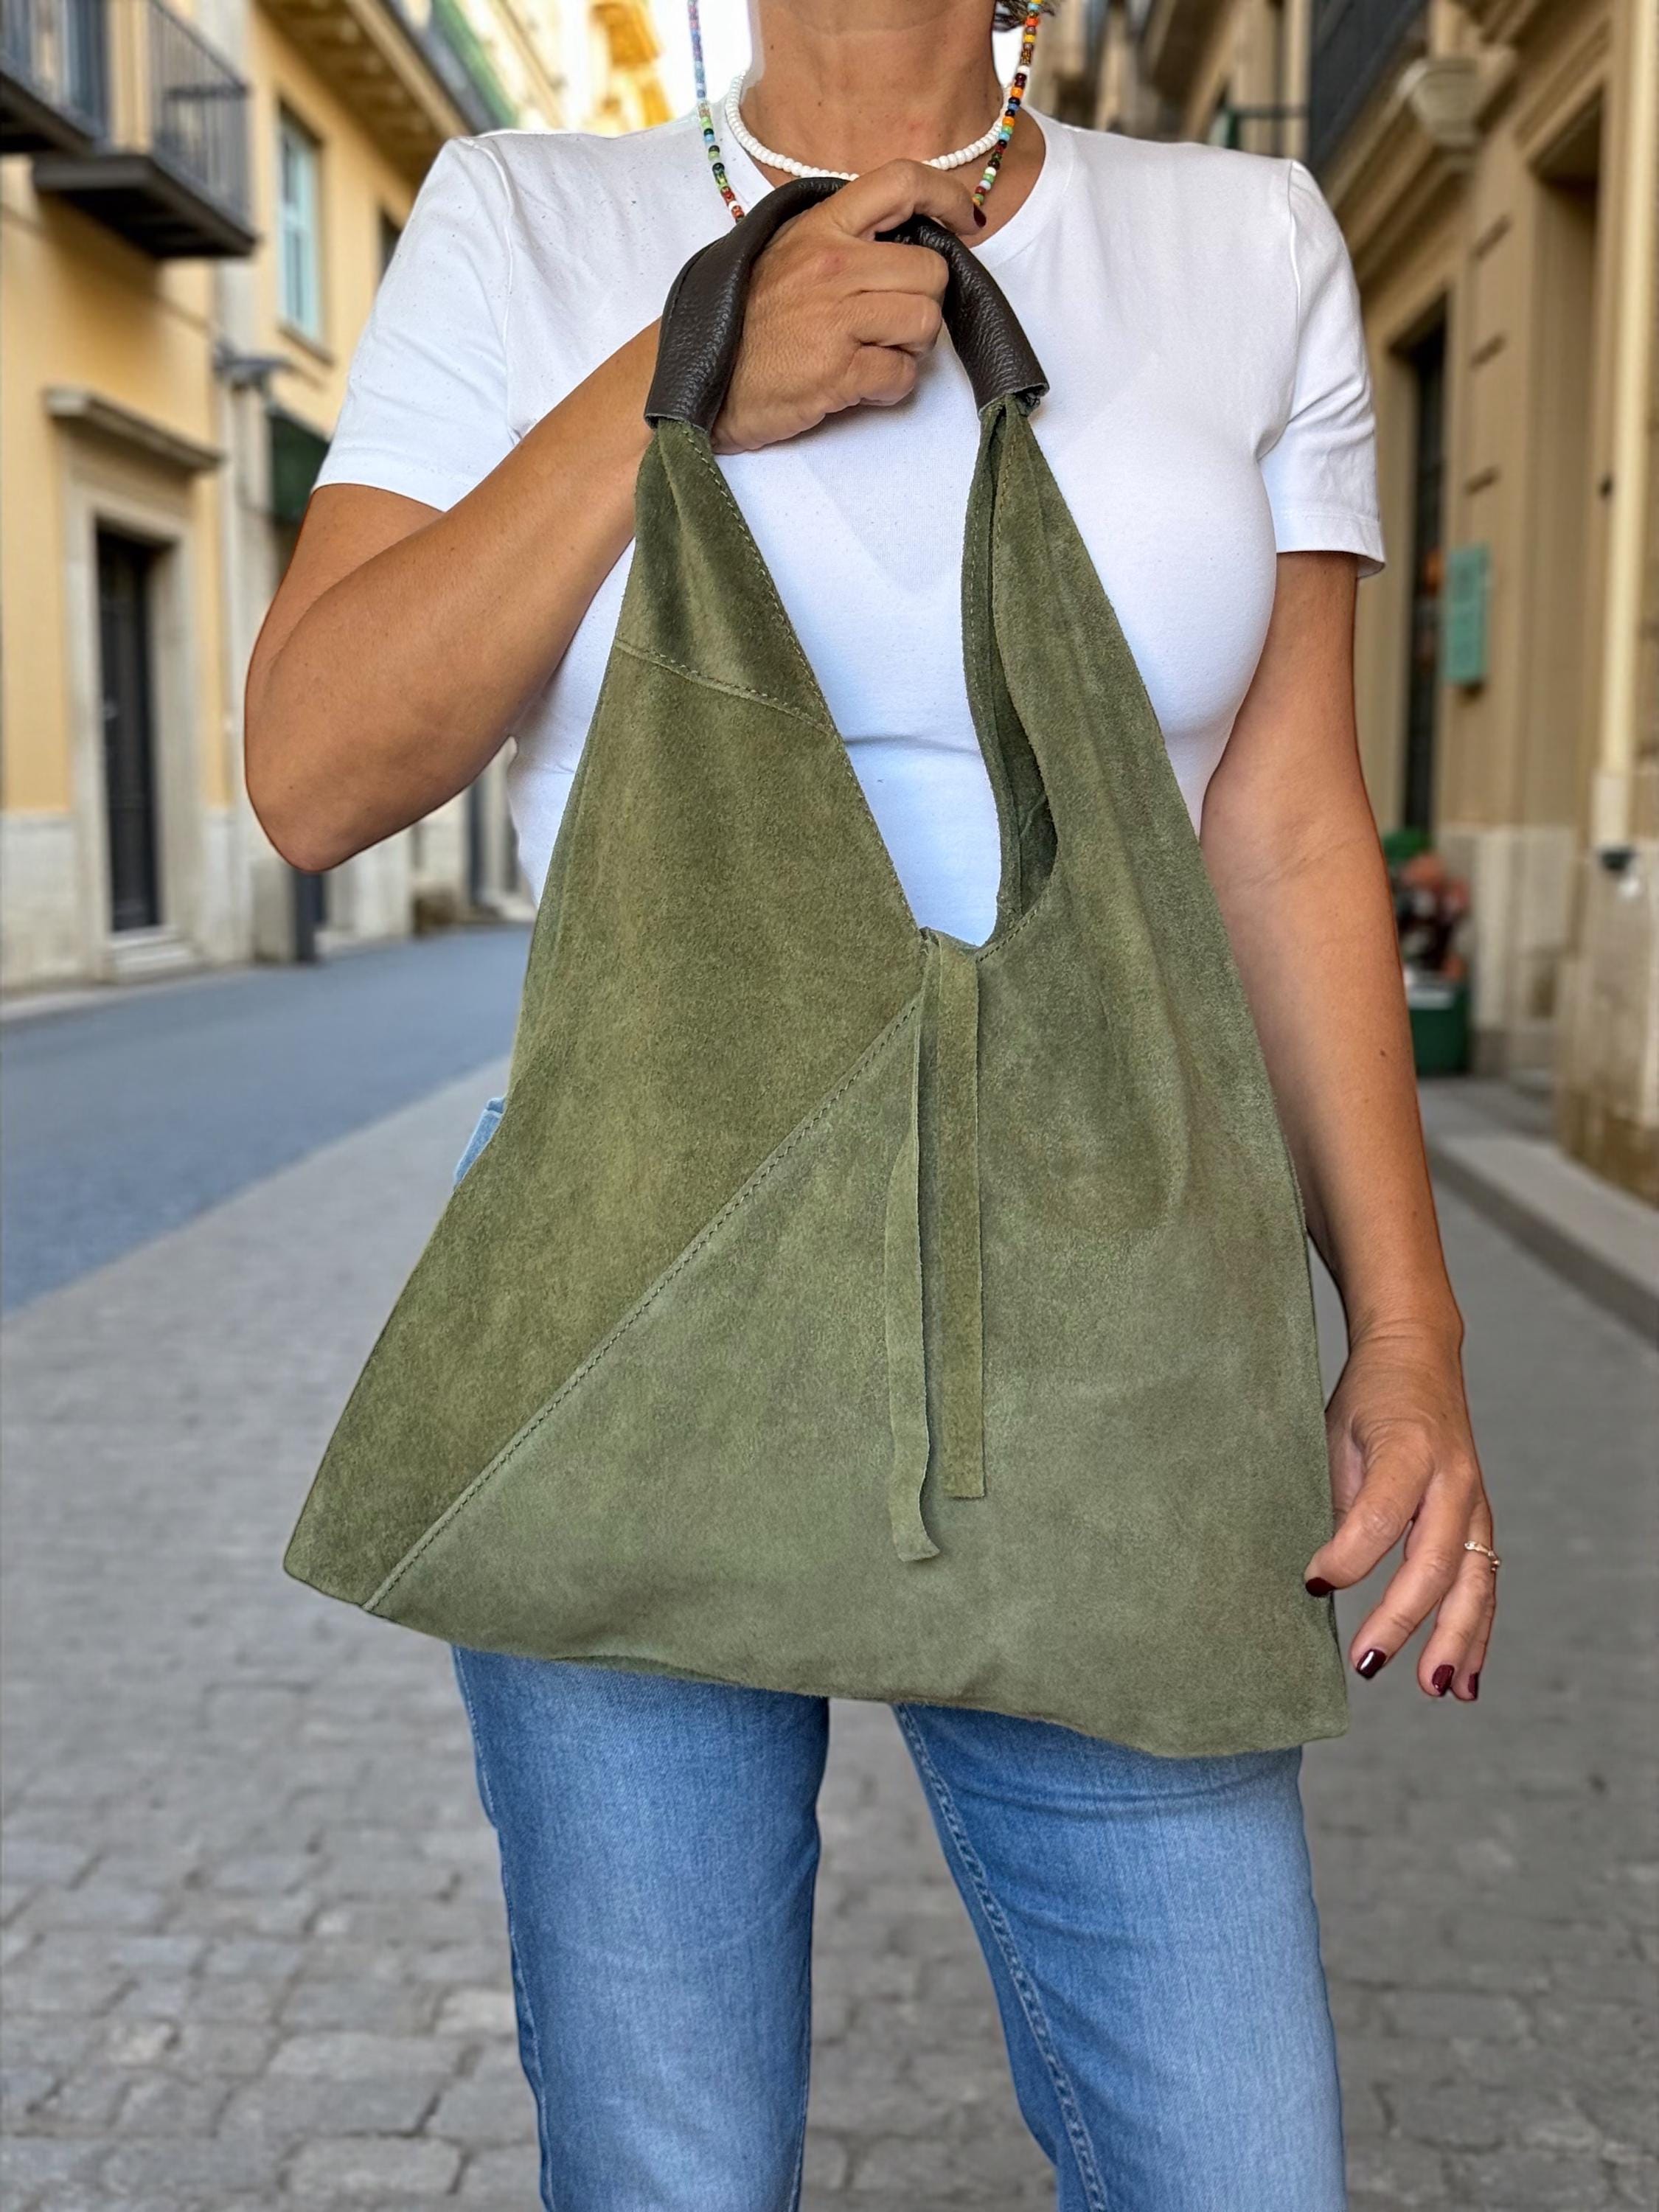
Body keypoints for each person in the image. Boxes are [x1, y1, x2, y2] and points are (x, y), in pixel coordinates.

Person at [245, 4, 1498, 2205]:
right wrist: (675, 389)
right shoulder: (528, 218)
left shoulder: (1246, 233)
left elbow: (1287, 830)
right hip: (651, 1256)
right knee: (666, 2165)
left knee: (1234, 2157)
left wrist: (1406, 1329)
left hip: (1115, 1292)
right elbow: (317, 773)